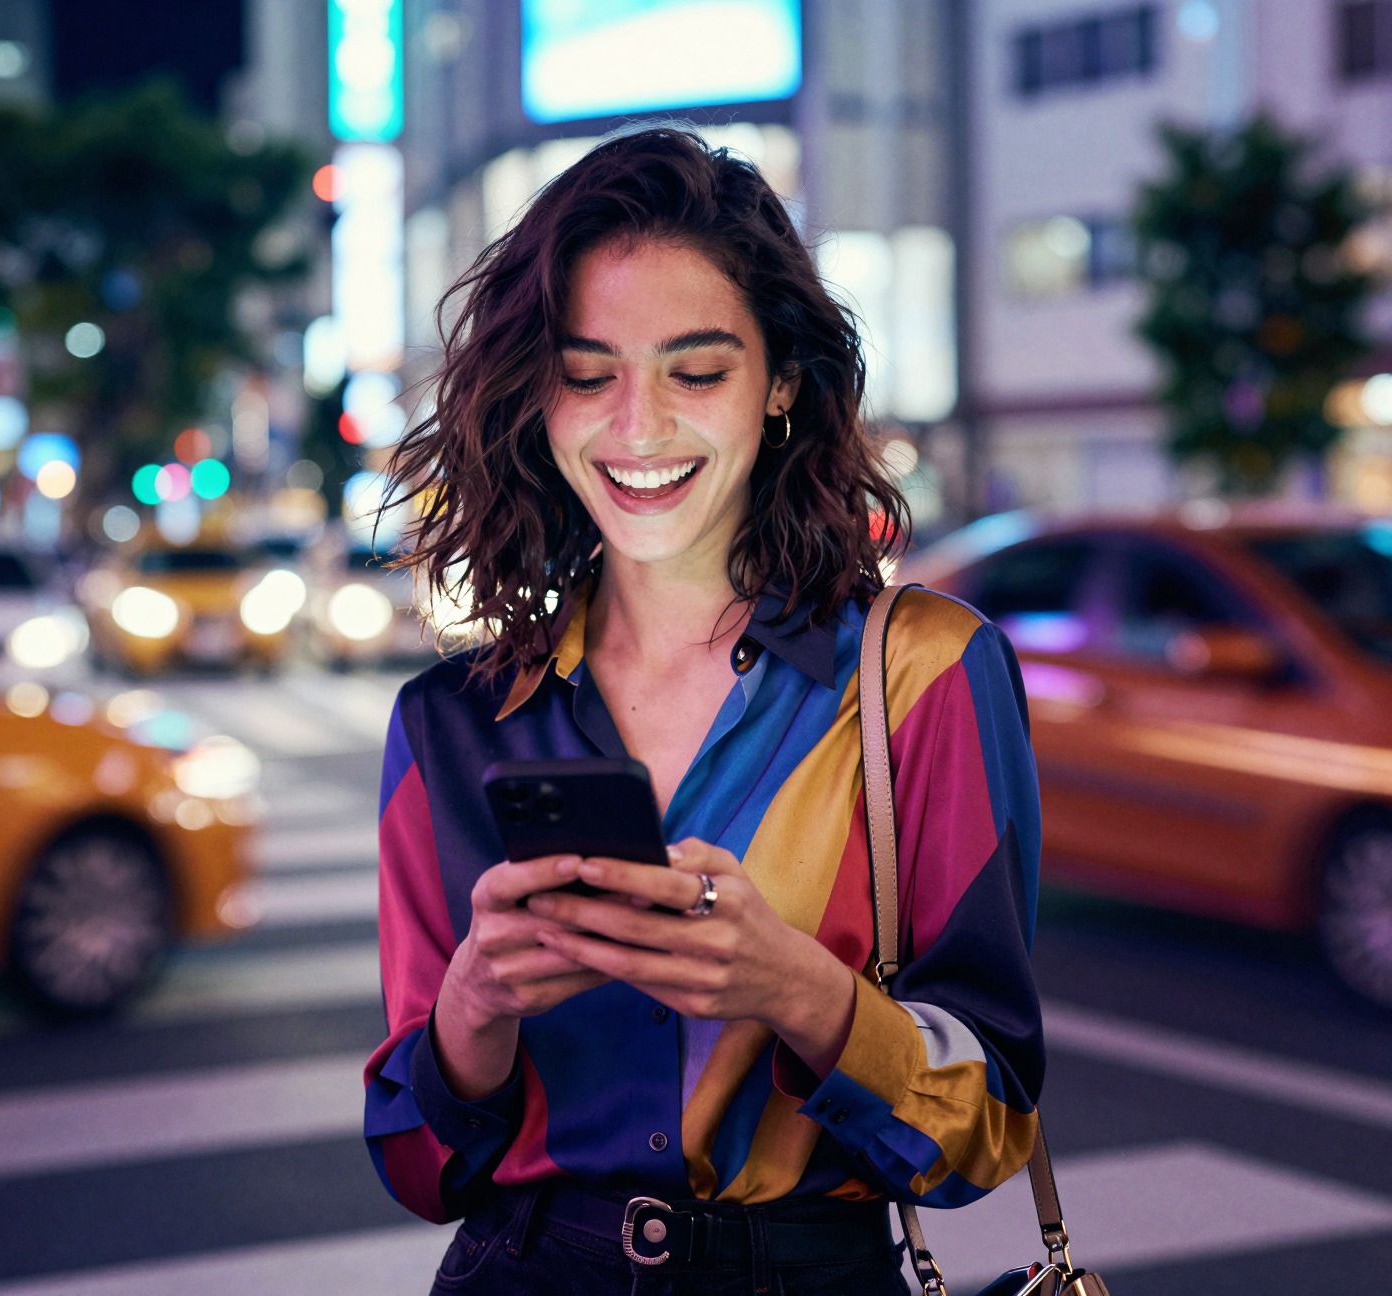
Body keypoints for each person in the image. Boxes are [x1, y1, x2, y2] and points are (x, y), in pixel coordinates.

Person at [365, 127, 1045, 1295]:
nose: (638, 427)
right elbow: (420, 1169)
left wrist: (793, 989)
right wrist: (475, 1005)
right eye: (589, 375)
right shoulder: (451, 723)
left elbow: (987, 1127)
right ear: (538, 395)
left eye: (697, 369)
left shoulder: (922, 674)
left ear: (781, 380)